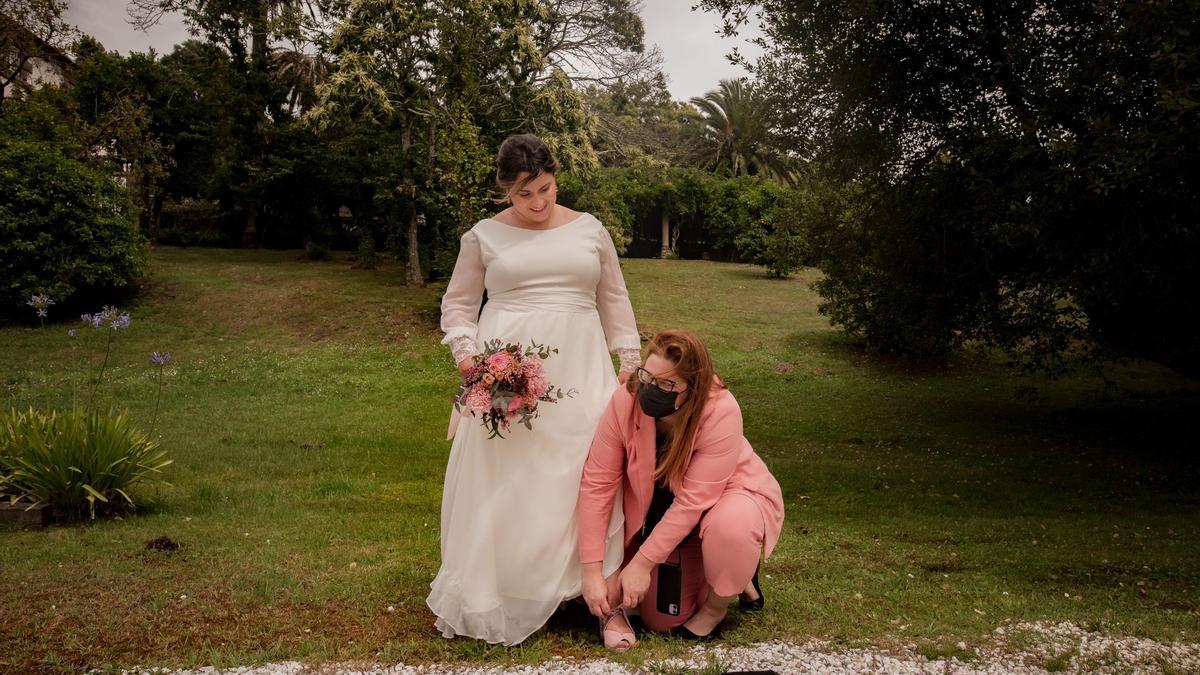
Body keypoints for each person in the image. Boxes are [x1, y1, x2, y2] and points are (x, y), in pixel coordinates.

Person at [427, 133, 641, 646]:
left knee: (590, 470)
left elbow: (613, 295)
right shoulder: (483, 236)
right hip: (507, 368)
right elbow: (458, 305)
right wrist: (469, 360)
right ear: (506, 191)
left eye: (545, 188)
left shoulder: (590, 230)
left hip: (582, 360)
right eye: (525, 195)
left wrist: (629, 359)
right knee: (510, 472)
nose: (539, 203)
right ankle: (508, 589)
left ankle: (604, 604)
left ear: (555, 175)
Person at [577, 329, 785, 648]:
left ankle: (718, 604)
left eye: (667, 385)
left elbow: (693, 501)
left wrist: (643, 564)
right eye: (647, 376)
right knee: (661, 620)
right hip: (667, 514)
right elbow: (598, 483)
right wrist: (591, 570)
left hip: (727, 498)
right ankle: (730, 571)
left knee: (730, 529)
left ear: (693, 388)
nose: (651, 389)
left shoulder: (722, 411)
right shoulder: (625, 400)